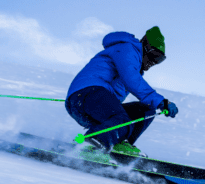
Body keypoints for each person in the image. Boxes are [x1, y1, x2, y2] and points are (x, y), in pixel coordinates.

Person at [65, 26, 179, 157]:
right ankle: (91, 144)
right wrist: (161, 102)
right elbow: (131, 79)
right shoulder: (128, 49)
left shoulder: (135, 64)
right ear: (145, 46)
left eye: (159, 60)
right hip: (86, 94)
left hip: (95, 102)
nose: (153, 62)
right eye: (154, 56)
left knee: (145, 111)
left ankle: (118, 144)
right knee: (122, 119)